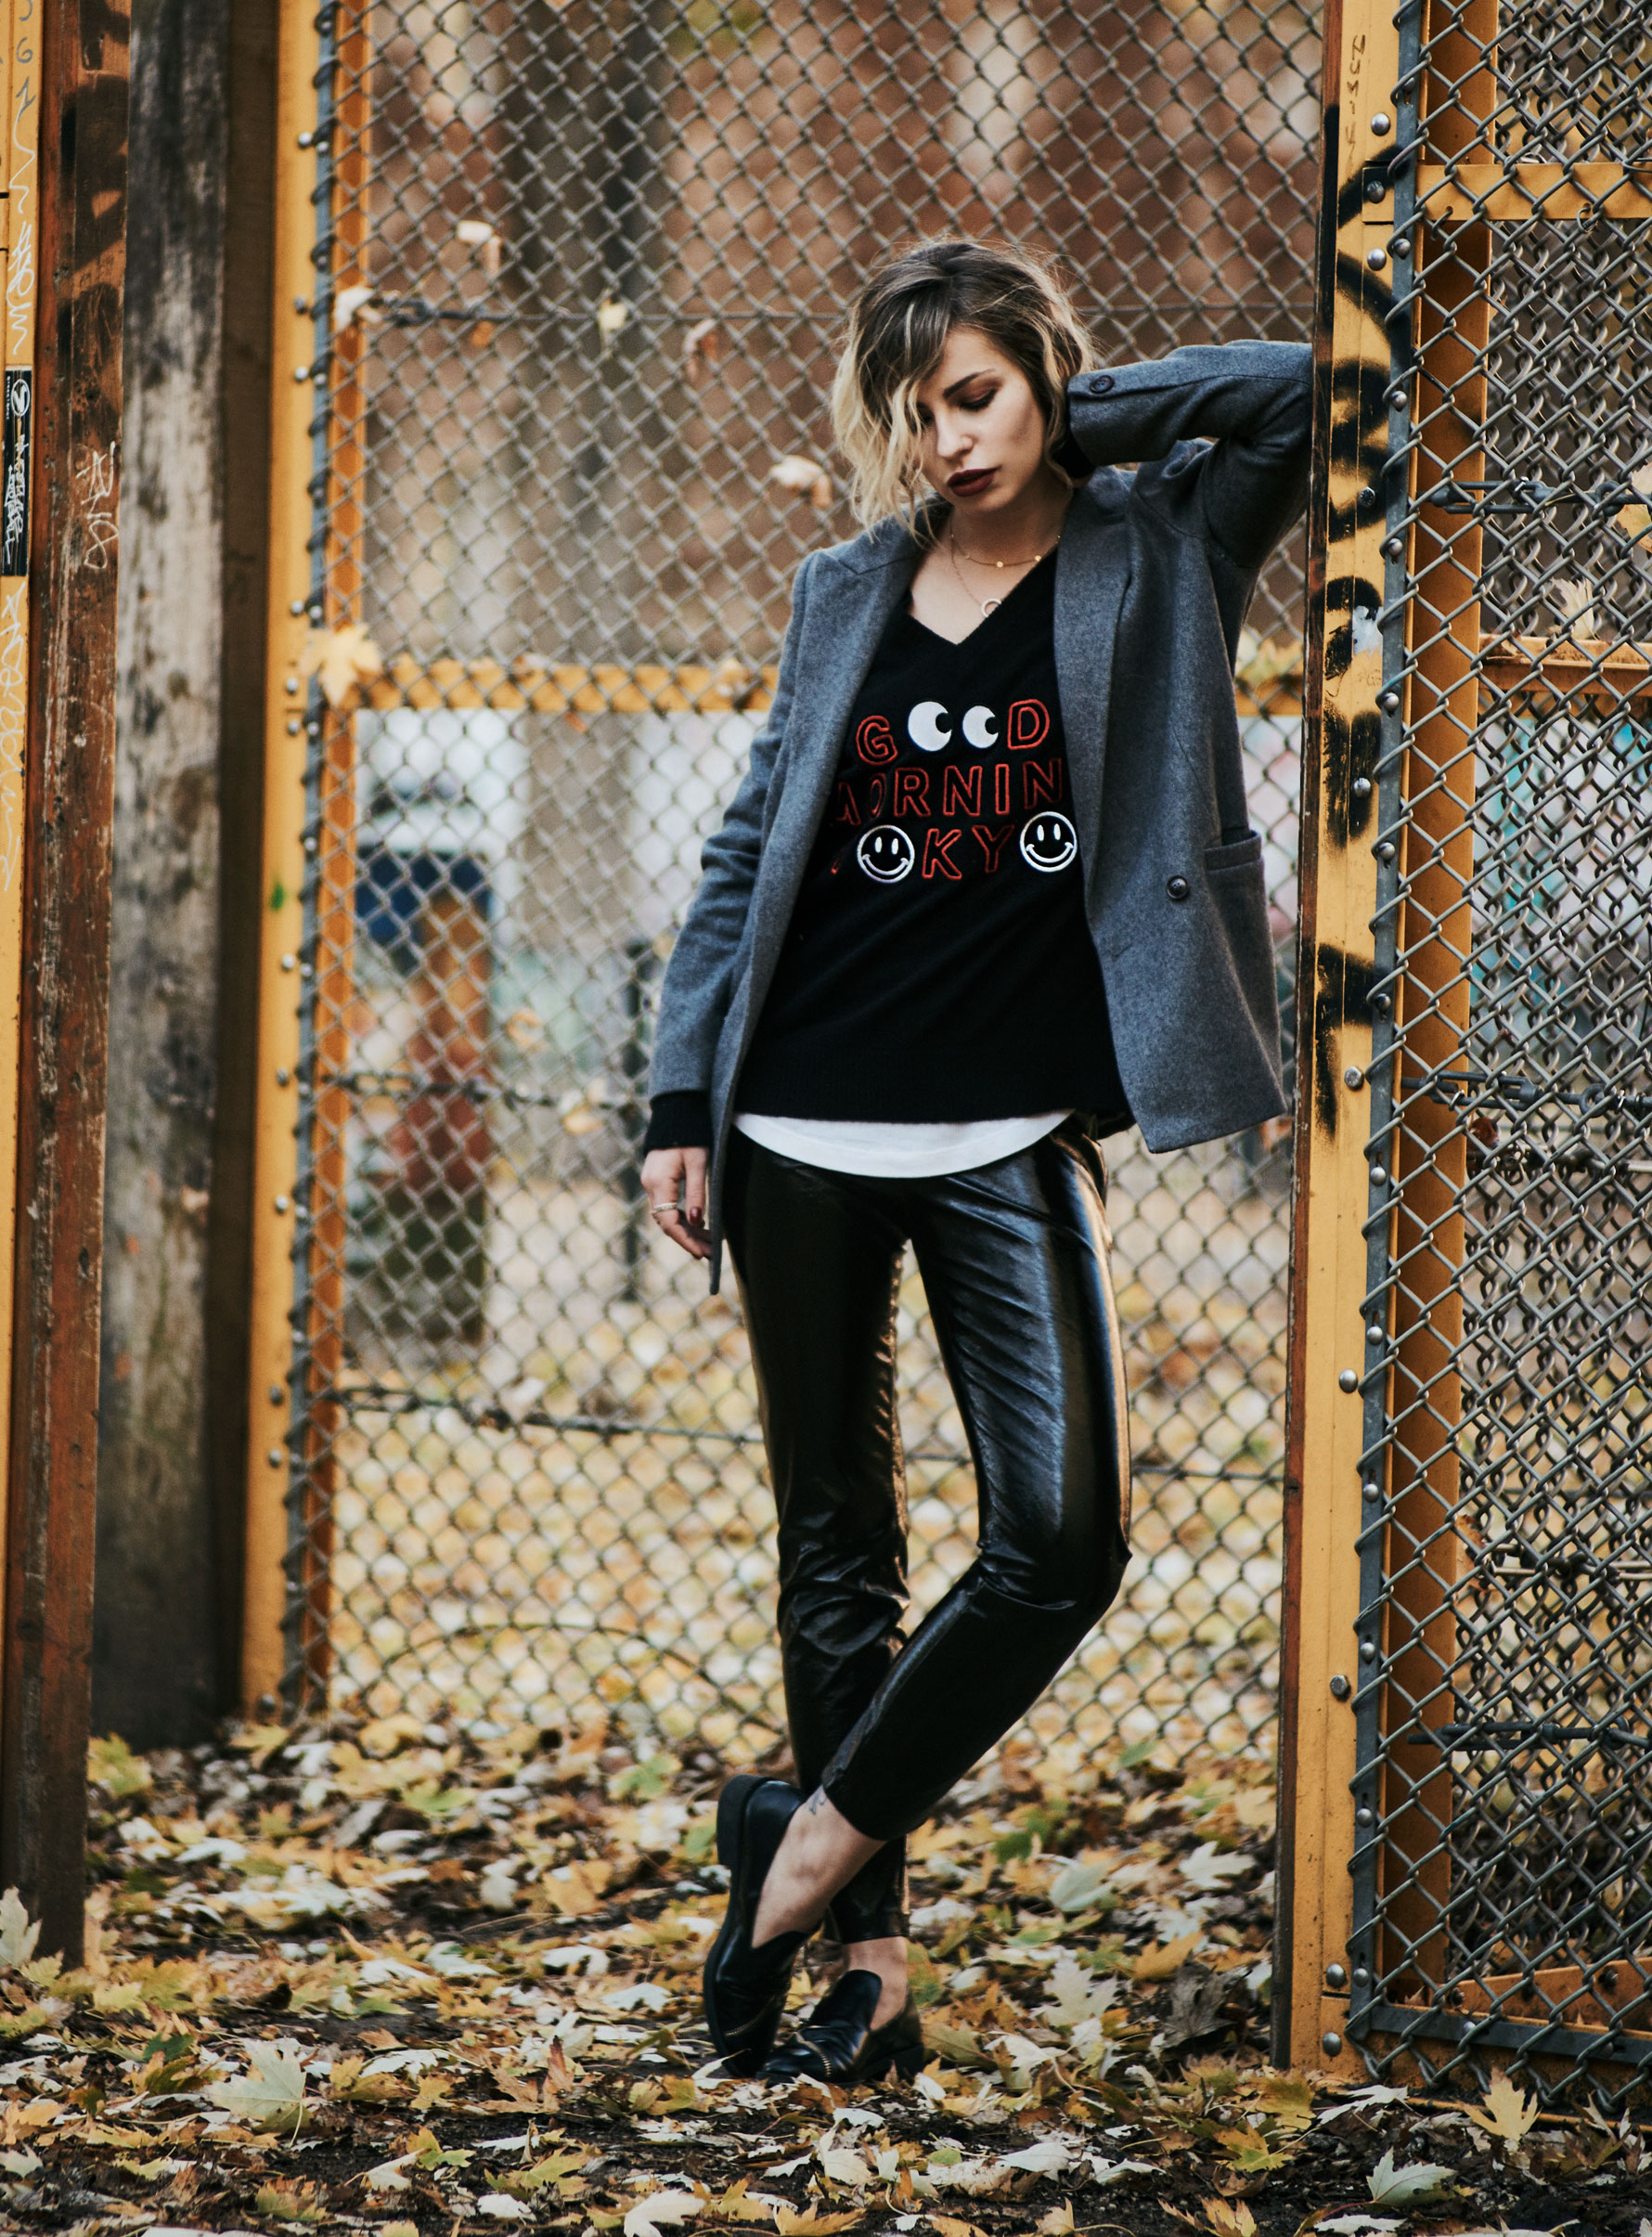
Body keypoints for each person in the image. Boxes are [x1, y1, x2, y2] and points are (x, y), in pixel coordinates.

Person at [639, 239, 1311, 2083]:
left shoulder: (1156, 550)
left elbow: (1323, 394)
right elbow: (748, 849)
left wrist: (1079, 422)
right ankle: (866, 1964)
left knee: (1061, 1537)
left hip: (1005, 1128)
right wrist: (679, 1102)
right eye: (911, 410)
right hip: (795, 1117)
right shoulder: (842, 588)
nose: (944, 440)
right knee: (834, 1550)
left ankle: (795, 1848)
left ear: (1039, 372)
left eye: (976, 393)